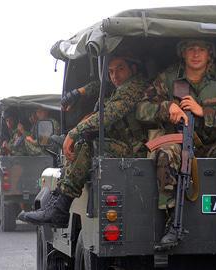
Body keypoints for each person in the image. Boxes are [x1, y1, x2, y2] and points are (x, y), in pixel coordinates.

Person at [136, 39, 216, 249]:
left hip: (213, 143)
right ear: (183, 53)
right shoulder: (168, 78)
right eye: (191, 49)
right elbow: (141, 108)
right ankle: (172, 221)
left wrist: (205, 112)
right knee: (166, 153)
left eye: (202, 50)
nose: (196, 54)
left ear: (210, 54)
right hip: (179, 142)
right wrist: (167, 107)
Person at [18, 55, 148, 227]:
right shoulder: (121, 85)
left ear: (133, 69)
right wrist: (78, 93)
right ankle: (59, 203)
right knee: (85, 141)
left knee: (86, 145)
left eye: (120, 68)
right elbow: (100, 85)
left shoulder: (134, 87)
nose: (115, 75)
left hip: (137, 148)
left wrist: (74, 133)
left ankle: (60, 209)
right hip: (127, 144)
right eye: (110, 71)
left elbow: (107, 116)